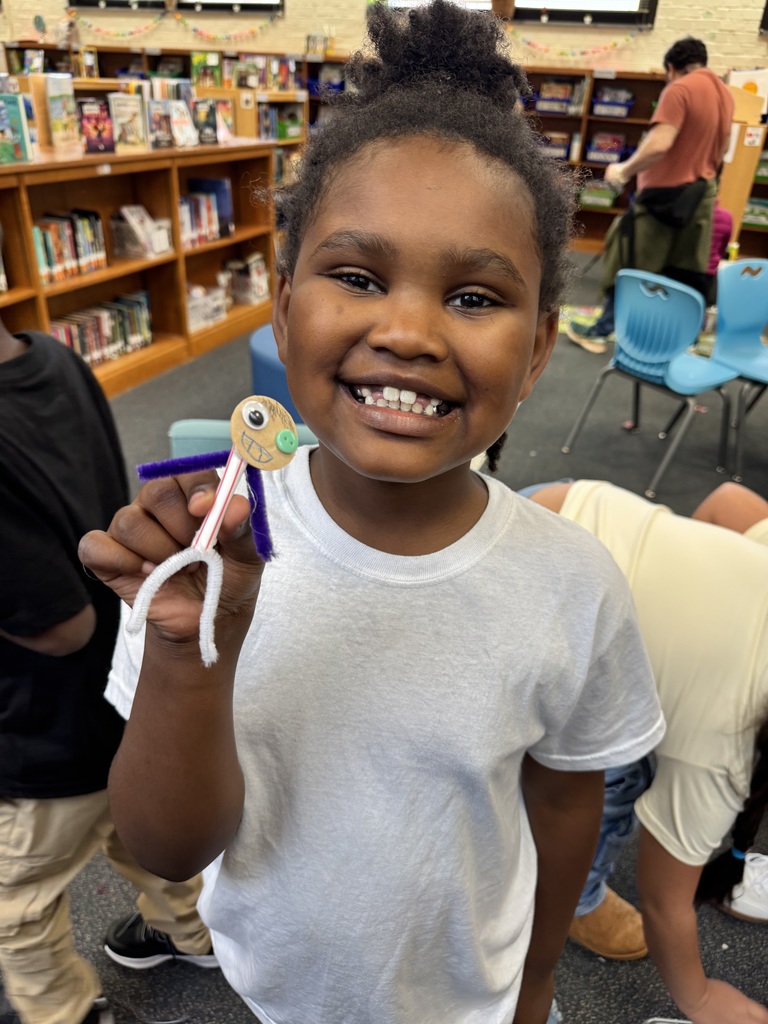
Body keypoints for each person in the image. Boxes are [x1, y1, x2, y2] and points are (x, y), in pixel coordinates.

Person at [79, 5, 665, 1024]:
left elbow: (569, 797)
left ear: (536, 355)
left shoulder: (574, 584)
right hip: (275, 996)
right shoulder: (210, 552)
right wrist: (189, 653)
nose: (406, 330)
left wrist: (533, 992)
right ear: (282, 301)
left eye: (476, 297)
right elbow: (168, 848)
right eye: (356, 277)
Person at [0, 313, 217, 1024]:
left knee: (18, 905)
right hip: (127, 693)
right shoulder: (53, 360)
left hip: (40, 734)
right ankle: (190, 933)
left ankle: (64, 1012)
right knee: (147, 835)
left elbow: (60, 627)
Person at [526, 478, 768, 1024]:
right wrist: (699, 998)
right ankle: (576, 901)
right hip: (531, 572)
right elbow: (665, 902)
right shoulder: (721, 751)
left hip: (565, 501)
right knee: (611, 776)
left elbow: (729, 501)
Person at [566, 36, 734, 354]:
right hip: (701, 198)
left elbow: (659, 143)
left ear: (672, 68)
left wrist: (624, 169)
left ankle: (601, 331)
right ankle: (676, 338)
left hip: (663, 200)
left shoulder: (680, 89)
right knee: (684, 268)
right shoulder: (725, 95)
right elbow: (723, 149)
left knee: (626, 257)